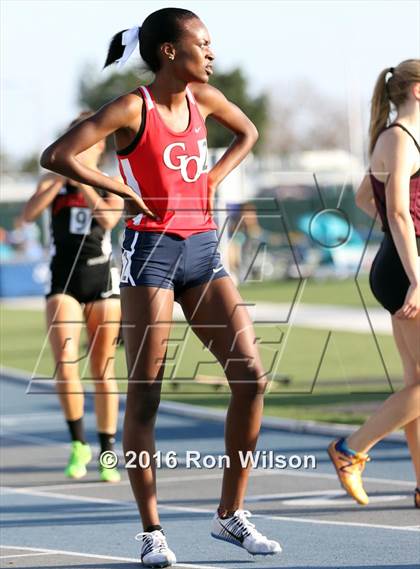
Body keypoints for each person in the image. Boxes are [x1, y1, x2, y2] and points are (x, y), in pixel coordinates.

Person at [39, 8, 281, 568]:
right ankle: (151, 531)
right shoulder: (133, 107)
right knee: (146, 395)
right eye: (204, 42)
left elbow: (249, 133)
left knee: (252, 378)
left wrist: (212, 180)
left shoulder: (204, 100)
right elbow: (58, 155)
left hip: (203, 250)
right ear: (170, 51)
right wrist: (119, 189)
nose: (213, 53)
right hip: (150, 254)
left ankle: (230, 515)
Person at [328, 59, 420, 509]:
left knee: (416, 382)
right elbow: (399, 212)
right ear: (417, 91)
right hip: (408, 270)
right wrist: (416, 276)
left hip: (401, 262)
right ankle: (351, 449)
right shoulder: (399, 140)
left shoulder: (401, 139)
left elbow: (368, 198)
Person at [24, 112, 123, 483]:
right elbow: (27, 215)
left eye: (88, 141)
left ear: (98, 145)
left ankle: (108, 450)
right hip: (63, 280)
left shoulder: (110, 183)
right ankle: (79, 444)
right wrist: (60, 179)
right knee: (65, 362)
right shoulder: (54, 181)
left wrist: (84, 182)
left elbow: (110, 219)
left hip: (101, 280)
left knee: (102, 370)